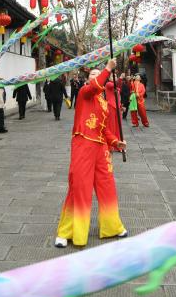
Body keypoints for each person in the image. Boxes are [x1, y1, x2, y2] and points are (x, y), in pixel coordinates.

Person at [54, 58, 128, 248]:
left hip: (101, 148)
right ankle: (66, 232)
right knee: (79, 186)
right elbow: (95, 86)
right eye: (93, 75)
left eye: (99, 74)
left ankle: (112, 226)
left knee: (108, 186)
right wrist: (107, 69)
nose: (96, 76)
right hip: (83, 144)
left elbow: (105, 129)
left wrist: (115, 142)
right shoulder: (84, 93)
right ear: (88, 80)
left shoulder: (103, 103)